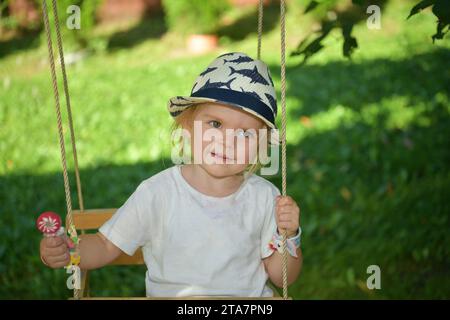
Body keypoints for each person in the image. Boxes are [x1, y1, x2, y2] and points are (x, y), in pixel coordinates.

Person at [39, 52, 302, 297]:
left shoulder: (265, 197)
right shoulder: (158, 194)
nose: (227, 141)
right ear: (188, 125)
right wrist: (68, 251)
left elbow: (283, 278)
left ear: (261, 145)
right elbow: (105, 246)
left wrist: (289, 236)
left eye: (245, 133)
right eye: (216, 124)